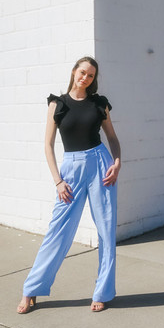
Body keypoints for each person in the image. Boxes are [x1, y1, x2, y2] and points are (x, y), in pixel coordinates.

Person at [17, 56, 121, 314]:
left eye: (90, 76)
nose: (85, 78)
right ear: (74, 72)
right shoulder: (58, 104)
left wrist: (117, 162)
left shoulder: (100, 104)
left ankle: (102, 292)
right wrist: (58, 181)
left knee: (106, 230)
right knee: (58, 232)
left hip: (100, 165)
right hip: (71, 170)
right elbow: (48, 145)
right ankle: (31, 290)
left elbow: (112, 138)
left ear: (93, 80)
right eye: (82, 72)